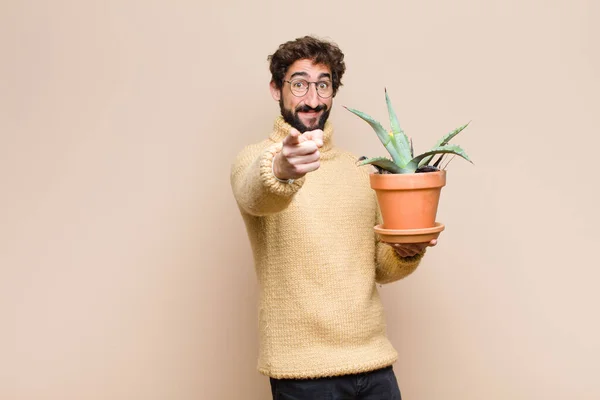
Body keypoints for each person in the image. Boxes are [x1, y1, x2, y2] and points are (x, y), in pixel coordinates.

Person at [230, 35, 437, 400]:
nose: (312, 99)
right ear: (276, 89)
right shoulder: (255, 159)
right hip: (303, 374)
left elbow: (379, 268)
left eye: (322, 85)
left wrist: (408, 250)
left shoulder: (359, 171)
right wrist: (281, 169)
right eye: (299, 84)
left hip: (375, 367)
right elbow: (257, 195)